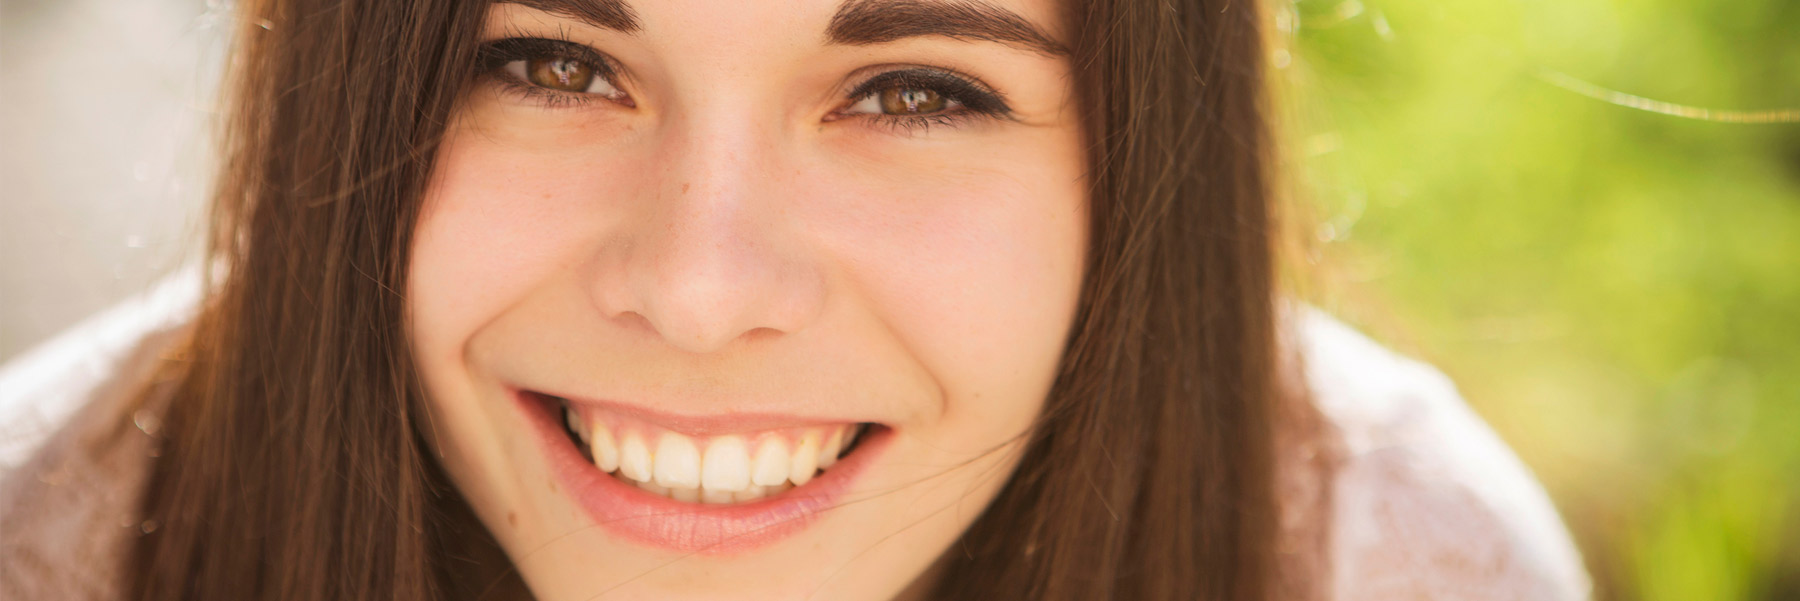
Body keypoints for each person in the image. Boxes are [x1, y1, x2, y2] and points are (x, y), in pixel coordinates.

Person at [0, 0, 1593, 599]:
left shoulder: (1385, 560)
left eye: (914, 90)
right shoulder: (53, 544)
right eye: (550, 66)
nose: (699, 293)